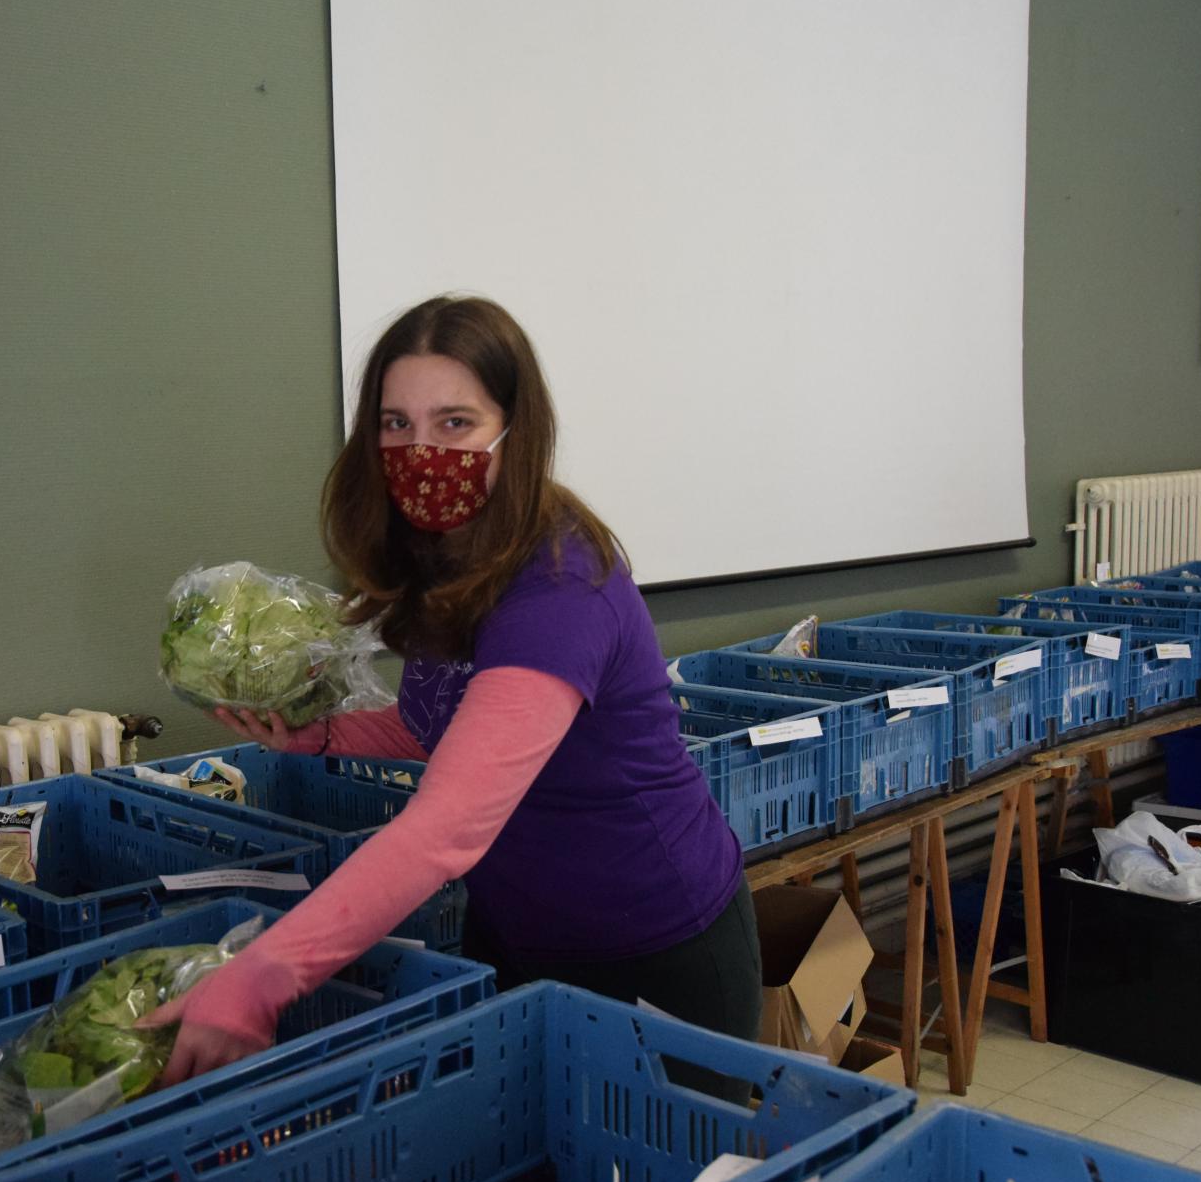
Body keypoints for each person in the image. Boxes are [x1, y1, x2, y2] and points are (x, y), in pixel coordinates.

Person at [141, 295, 762, 1095]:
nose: (420, 449)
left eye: (455, 423)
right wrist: (321, 736)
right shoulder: (448, 557)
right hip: (517, 930)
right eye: (396, 424)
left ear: (517, 430)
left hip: (652, 945)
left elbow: (443, 830)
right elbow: (433, 722)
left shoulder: (561, 589)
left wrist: (261, 976)